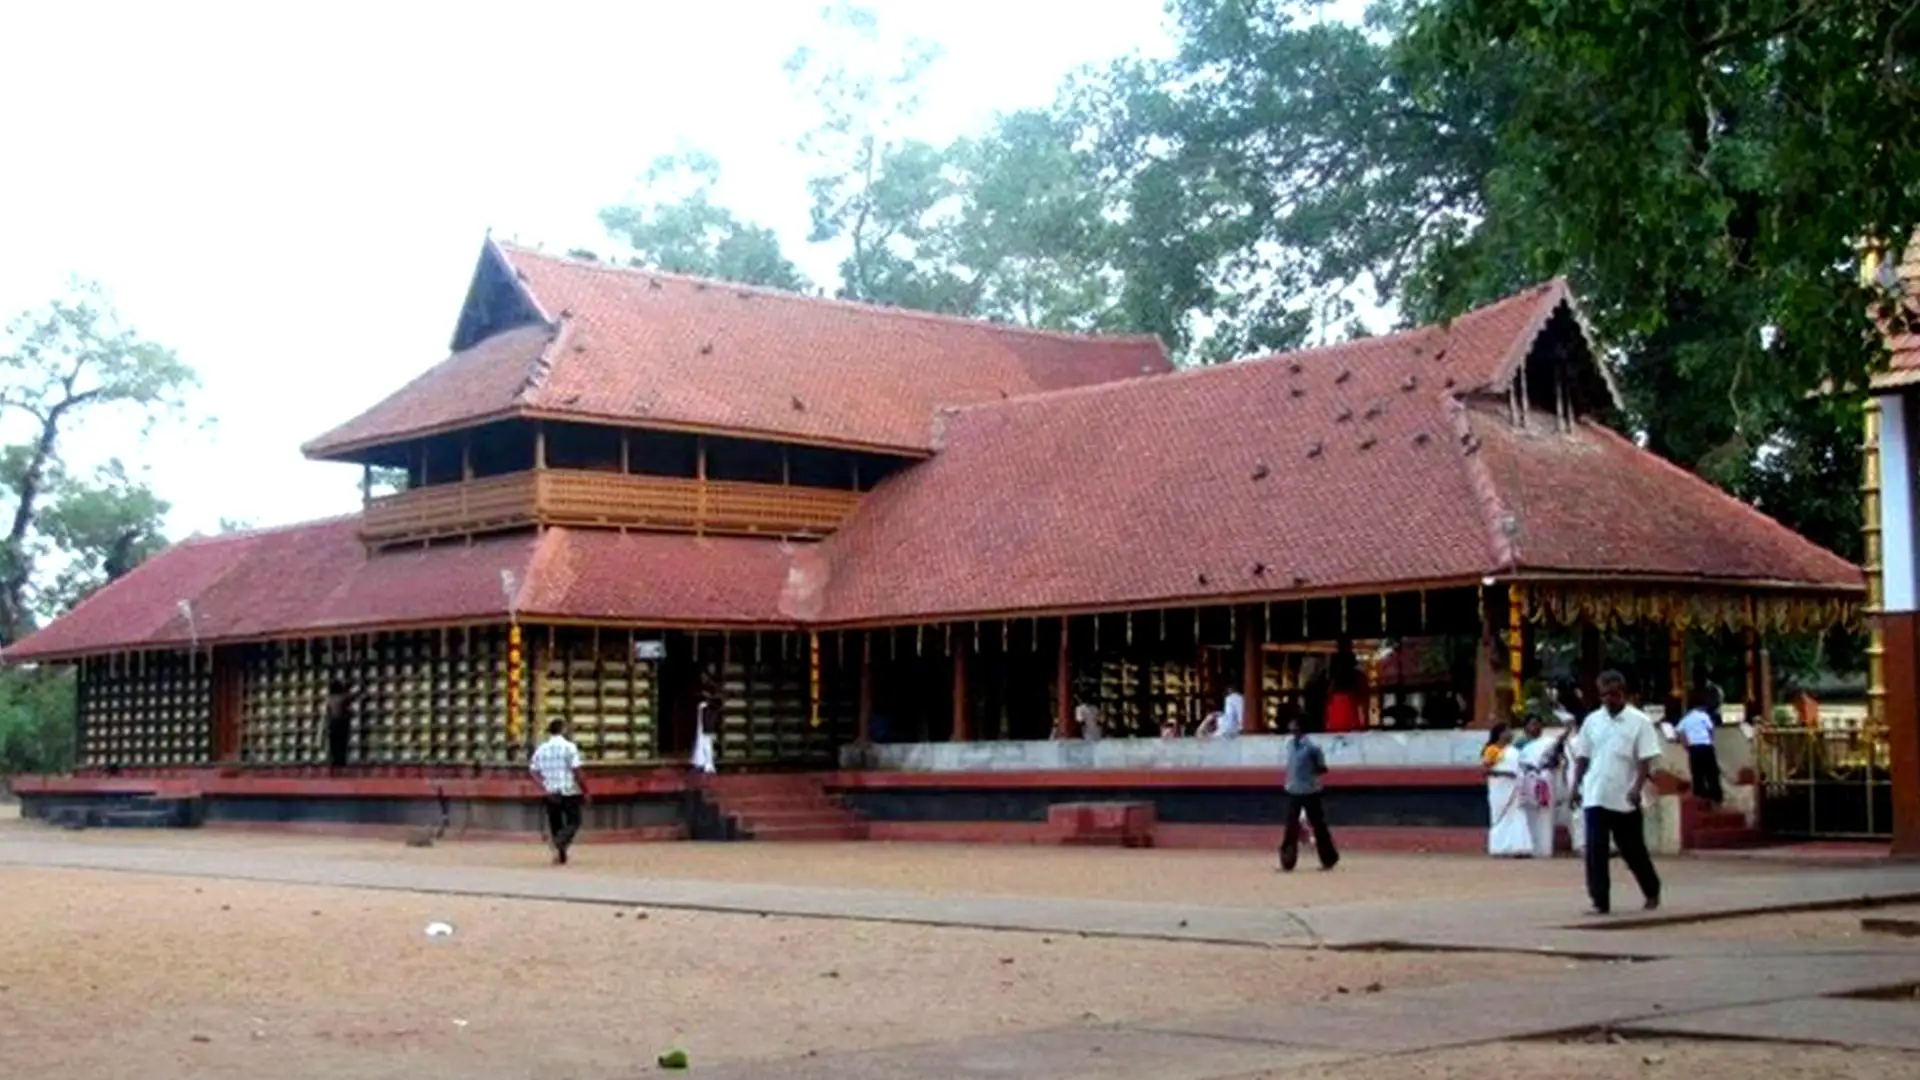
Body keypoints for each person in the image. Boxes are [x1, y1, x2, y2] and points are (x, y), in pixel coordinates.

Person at [1570, 670, 1663, 914]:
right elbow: (1583, 756)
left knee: (1632, 850)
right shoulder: (1593, 721)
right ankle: (1600, 901)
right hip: (1596, 793)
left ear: (1624, 693)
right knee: (1595, 851)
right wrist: (1575, 786)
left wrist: (1637, 788)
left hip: (1625, 796)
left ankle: (1651, 890)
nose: (1609, 700)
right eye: (1604, 695)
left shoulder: (1639, 721)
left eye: (1614, 694)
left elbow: (1645, 760)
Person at [1279, 716, 1338, 872]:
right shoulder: (1290, 745)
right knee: (1291, 826)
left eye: (1295, 727)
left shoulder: (1312, 747)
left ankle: (1328, 858)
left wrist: (1312, 771)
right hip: (1294, 789)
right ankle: (1287, 861)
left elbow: (1322, 768)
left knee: (1318, 825)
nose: (1292, 730)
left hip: (1310, 790)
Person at [529, 718, 588, 865]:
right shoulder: (569, 747)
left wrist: (542, 785)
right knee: (574, 821)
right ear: (563, 730)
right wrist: (585, 790)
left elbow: (533, 770)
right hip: (568, 789)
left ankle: (561, 854)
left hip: (550, 791)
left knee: (556, 823)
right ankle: (561, 840)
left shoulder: (541, 749)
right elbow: (577, 770)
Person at [1515, 716, 1565, 858]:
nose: (1535, 727)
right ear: (1525, 728)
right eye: (1532, 724)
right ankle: (1528, 846)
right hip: (1526, 781)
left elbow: (1558, 761)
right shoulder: (1520, 745)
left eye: (1538, 724)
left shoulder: (1549, 743)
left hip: (1545, 780)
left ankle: (1545, 848)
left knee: (1545, 814)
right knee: (1527, 814)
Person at [1484, 724, 1533, 857]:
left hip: (1515, 787)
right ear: (1500, 734)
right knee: (1501, 817)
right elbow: (1487, 770)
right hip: (1500, 789)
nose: (1510, 733)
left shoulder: (1513, 750)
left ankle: (1519, 847)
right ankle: (1499, 848)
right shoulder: (1492, 750)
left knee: (1517, 815)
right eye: (1507, 731)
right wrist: (1506, 774)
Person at [1675, 688, 1721, 805]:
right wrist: (1710, 741)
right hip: (1706, 746)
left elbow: (1680, 733)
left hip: (1694, 748)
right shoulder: (1703, 716)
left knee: (1697, 773)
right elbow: (1710, 729)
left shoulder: (1686, 719)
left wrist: (1686, 746)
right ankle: (1715, 796)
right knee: (1711, 772)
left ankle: (1700, 796)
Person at [324, 678, 364, 770]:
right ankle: (341, 763)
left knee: (334, 745)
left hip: (332, 723)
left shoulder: (329, 699)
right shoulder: (342, 697)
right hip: (341, 723)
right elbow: (354, 695)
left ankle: (334, 762)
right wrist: (361, 686)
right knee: (342, 744)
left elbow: (328, 712)